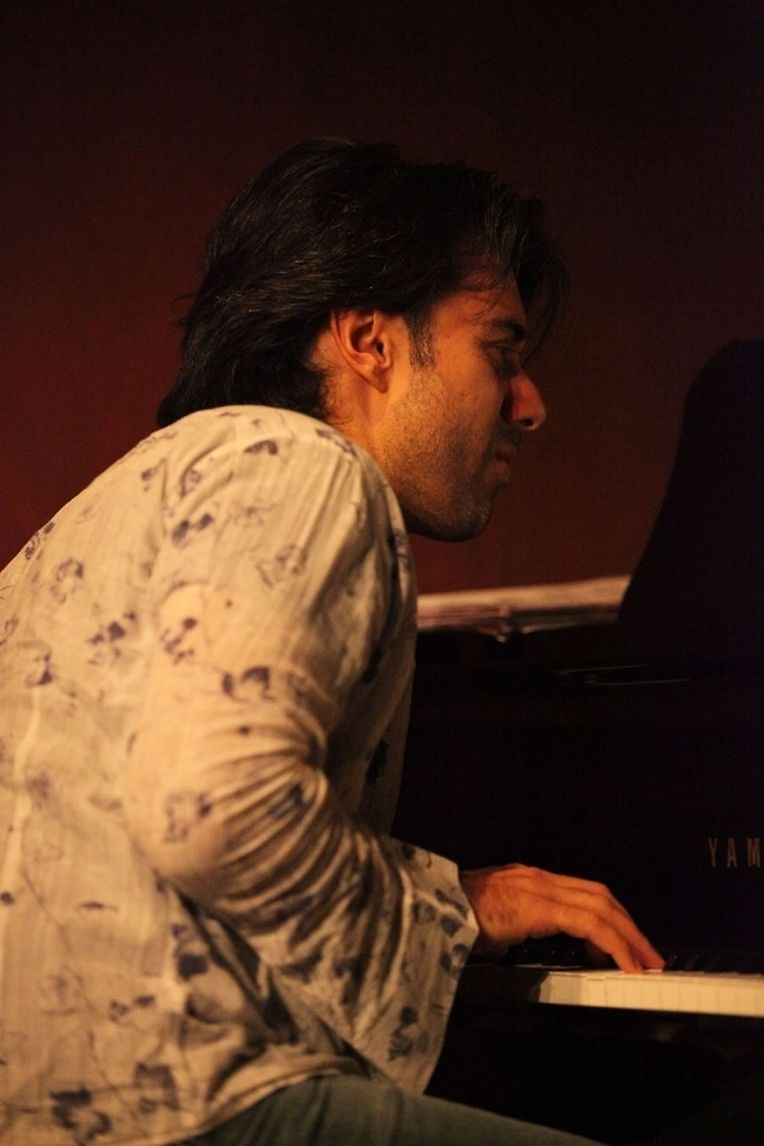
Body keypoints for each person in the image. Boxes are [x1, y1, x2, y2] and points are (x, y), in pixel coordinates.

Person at [0, 139, 662, 1146]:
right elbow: (211, 809)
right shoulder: (309, 468)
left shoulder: (118, 502)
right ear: (369, 342)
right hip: (180, 1111)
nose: (530, 406)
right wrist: (454, 913)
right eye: (500, 350)